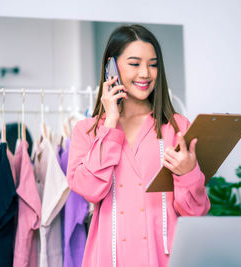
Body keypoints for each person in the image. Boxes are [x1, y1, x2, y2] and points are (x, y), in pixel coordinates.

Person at [66, 24, 210, 267]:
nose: (145, 73)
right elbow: (90, 189)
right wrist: (109, 124)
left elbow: (195, 212)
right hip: (111, 258)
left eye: (152, 64)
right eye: (134, 64)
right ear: (111, 67)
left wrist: (188, 174)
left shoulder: (177, 127)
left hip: (166, 258)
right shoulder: (87, 131)